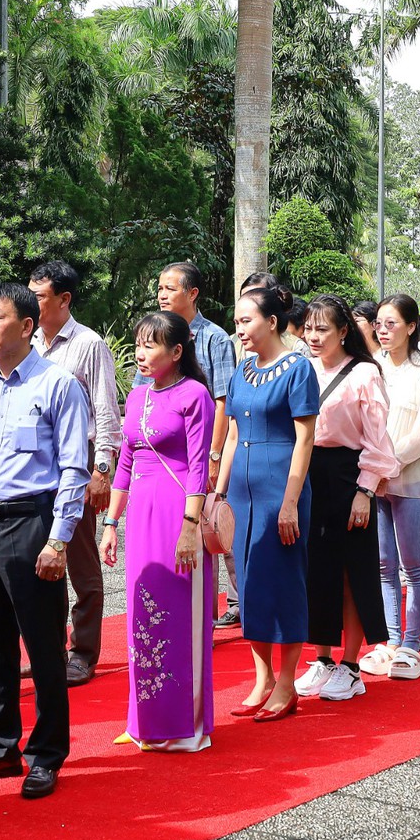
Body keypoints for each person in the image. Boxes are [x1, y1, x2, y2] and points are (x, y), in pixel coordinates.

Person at [0, 284, 89, 801]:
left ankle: (47, 754)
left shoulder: (58, 385)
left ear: (27, 326)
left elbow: (74, 467)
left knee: (44, 646)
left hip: (32, 523)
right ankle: (0, 745)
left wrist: (58, 540)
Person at [101, 312, 215, 751]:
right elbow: (126, 461)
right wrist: (111, 523)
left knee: (178, 616)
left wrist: (190, 526)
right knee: (140, 616)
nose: (142, 354)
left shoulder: (195, 395)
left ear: (177, 352)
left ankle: (184, 725)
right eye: (139, 344)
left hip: (176, 510)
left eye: (151, 346)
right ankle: (143, 718)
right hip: (141, 516)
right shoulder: (137, 396)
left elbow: (199, 465)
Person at [209, 284, 318, 720]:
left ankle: (288, 682)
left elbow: (306, 438)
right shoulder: (243, 370)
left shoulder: (298, 369)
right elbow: (233, 433)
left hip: (280, 491)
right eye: (236, 321)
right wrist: (219, 493)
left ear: (271, 322)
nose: (239, 329)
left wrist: (291, 501)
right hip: (242, 492)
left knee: (284, 583)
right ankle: (262, 677)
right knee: (248, 583)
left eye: (246, 320)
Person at [293, 295, 400, 700]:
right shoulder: (303, 370)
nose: (313, 336)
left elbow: (378, 441)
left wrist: (364, 491)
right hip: (309, 476)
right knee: (316, 570)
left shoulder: (364, 374)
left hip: (349, 476)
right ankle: (322, 658)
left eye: (323, 329)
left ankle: (352, 666)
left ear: (344, 332)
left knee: (353, 573)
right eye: (309, 328)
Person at [29, 262, 118, 688]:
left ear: (64, 300)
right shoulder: (27, 341)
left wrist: (101, 469)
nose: (31, 302)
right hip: (35, 464)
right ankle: (49, 647)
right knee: (40, 557)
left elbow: (105, 411)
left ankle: (83, 652)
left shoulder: (88, 344)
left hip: (78, 459)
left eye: (40, 296)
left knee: (80, 561)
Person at [151, 262, 239, 629]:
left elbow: (222, 401)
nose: (162, 295)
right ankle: (188, 613)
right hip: (167, 461)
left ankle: (230, 606)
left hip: (202, 455)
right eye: (160, 288)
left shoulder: (214, 338)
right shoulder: (155, 334)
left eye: (170, 288)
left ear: (192, 294)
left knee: (212, 530)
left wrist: (214, 455)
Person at [372, 294, 420, 678]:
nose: (383, 331)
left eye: (391, 324)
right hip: (374, 480)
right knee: (383, 565)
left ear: (411, 327)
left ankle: (412, 644)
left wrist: (388, 464)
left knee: (413, 566)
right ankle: (391, 638)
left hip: (412, 479)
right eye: (379, 324)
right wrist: (373, 470)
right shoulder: (371, 367)